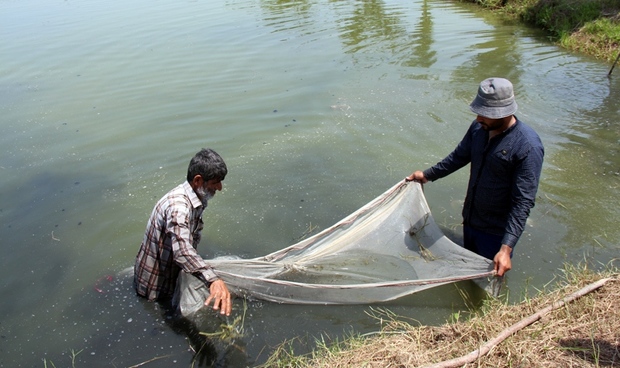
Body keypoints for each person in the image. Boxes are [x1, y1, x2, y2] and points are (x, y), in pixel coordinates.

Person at [406, 77, 544, 277]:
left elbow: (523, 202)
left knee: (488, 276)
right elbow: (459, 157)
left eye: (486, 113)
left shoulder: (527, 147)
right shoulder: (479, 128)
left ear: (504, 113)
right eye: (479, 111)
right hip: (471, 218)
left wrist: (506, 249)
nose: (479, 118)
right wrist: (427, 175)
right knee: (466, 267)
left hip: (495, 233)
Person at [134, 148, 232, 316]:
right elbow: (182, 251)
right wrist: (213, 280)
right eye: (216, 182)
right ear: (198, 180)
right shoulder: (178, 207)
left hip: (170, 276)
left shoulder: (195, 197)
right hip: (155, 289)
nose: (220, 187)